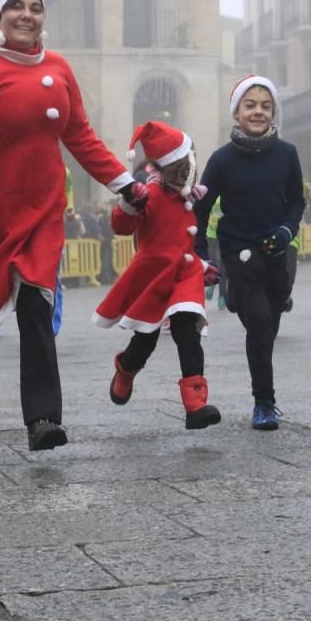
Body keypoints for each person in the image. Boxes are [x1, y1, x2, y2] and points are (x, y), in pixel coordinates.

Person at [0, 0, 145, 451]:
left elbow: (81, 137)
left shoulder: (59, 68)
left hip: (41, 210)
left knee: (36, 306)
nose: (27, 15)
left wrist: (125, 183)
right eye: (17, 7)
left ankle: (43, 418)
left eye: (35, 8)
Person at [194, 74, 305, 431]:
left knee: (269, 321)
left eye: (265, 106)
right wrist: (201, 254)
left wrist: (287, 230)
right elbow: (200, 205)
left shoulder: (287, 154)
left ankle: (242, 299)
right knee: (258, 324)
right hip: (238, 247)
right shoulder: (222, 159)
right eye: (250, 105)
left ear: (273, 113)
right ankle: (265, 402)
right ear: (237, 112)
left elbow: (297, 201)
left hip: (277, 249)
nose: (258, 112)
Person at [93, 122, 221, 430]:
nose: (191, 165)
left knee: (187, 333)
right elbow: (121, 227)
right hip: (153, 276)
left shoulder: (188, 197)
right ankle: (126, 367)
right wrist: (129, 203)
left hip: (183, 275)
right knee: (146, 340)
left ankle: (195, 404)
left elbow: (182, 241)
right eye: (186, 160)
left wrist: (201, 267)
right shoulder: (148, 193)